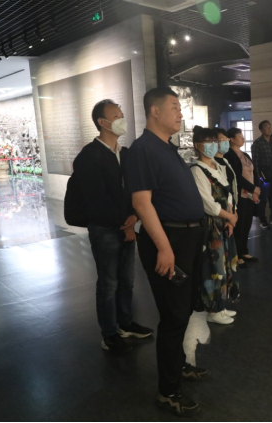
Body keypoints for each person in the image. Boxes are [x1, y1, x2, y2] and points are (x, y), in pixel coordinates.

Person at [125, 87, 206, 417]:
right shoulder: (142, 150)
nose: (180, 113)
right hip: (170, 241)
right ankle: (168, 391)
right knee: (174, 315)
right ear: (154, 111)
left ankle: (178, 366)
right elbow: (141, 203)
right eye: (174, 107)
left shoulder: (167, 148)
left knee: (184, 310)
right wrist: (164, 248)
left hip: (187, 239)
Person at [73, 99, 152, 354]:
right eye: (116, 116)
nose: (121, 119)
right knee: (108, 283)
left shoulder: (124, 153)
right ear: (102, 122)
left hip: (126, 224)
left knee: (127, 280)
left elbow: (133, 189)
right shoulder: (89, 156)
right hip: (105, 228)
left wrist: (134, 216)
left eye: (121, 114)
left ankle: (126, 322)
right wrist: (125, 224)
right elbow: (96, 199)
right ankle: (109, 333)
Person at [190, 126, 240, 326]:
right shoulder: (197, 170)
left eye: (214, 141)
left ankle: (220, 303)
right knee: (213, 267)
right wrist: (230, 216)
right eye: (207, 142)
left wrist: (230, 217)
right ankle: (212, 308)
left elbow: (228, 193)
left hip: (224, 222)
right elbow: (207, 203)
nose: (212, 145)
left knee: (225, 265)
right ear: (197, 145)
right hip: (211, 226)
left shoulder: (217, 166)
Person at [225, 127, 261, 263]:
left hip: (250, 194)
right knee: (239, 225)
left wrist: (256, 187)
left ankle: (244, 251)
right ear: (232, 139)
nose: (243, 139)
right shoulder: (229, 155)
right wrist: (252, 188)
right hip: (240, 194)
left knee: (247, 223)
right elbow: (236, 176)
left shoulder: (245, 154)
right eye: (240, 136)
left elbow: (254, 171)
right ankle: (237, 254)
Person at [252, 121, 272, 228]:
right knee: (263, 199)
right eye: (266, 127)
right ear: (261, 130)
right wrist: (257, 175)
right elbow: (255, 161)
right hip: (264, 176)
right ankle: (263, 220)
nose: (269, 129)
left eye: (270, 126)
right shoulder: (257, 143)